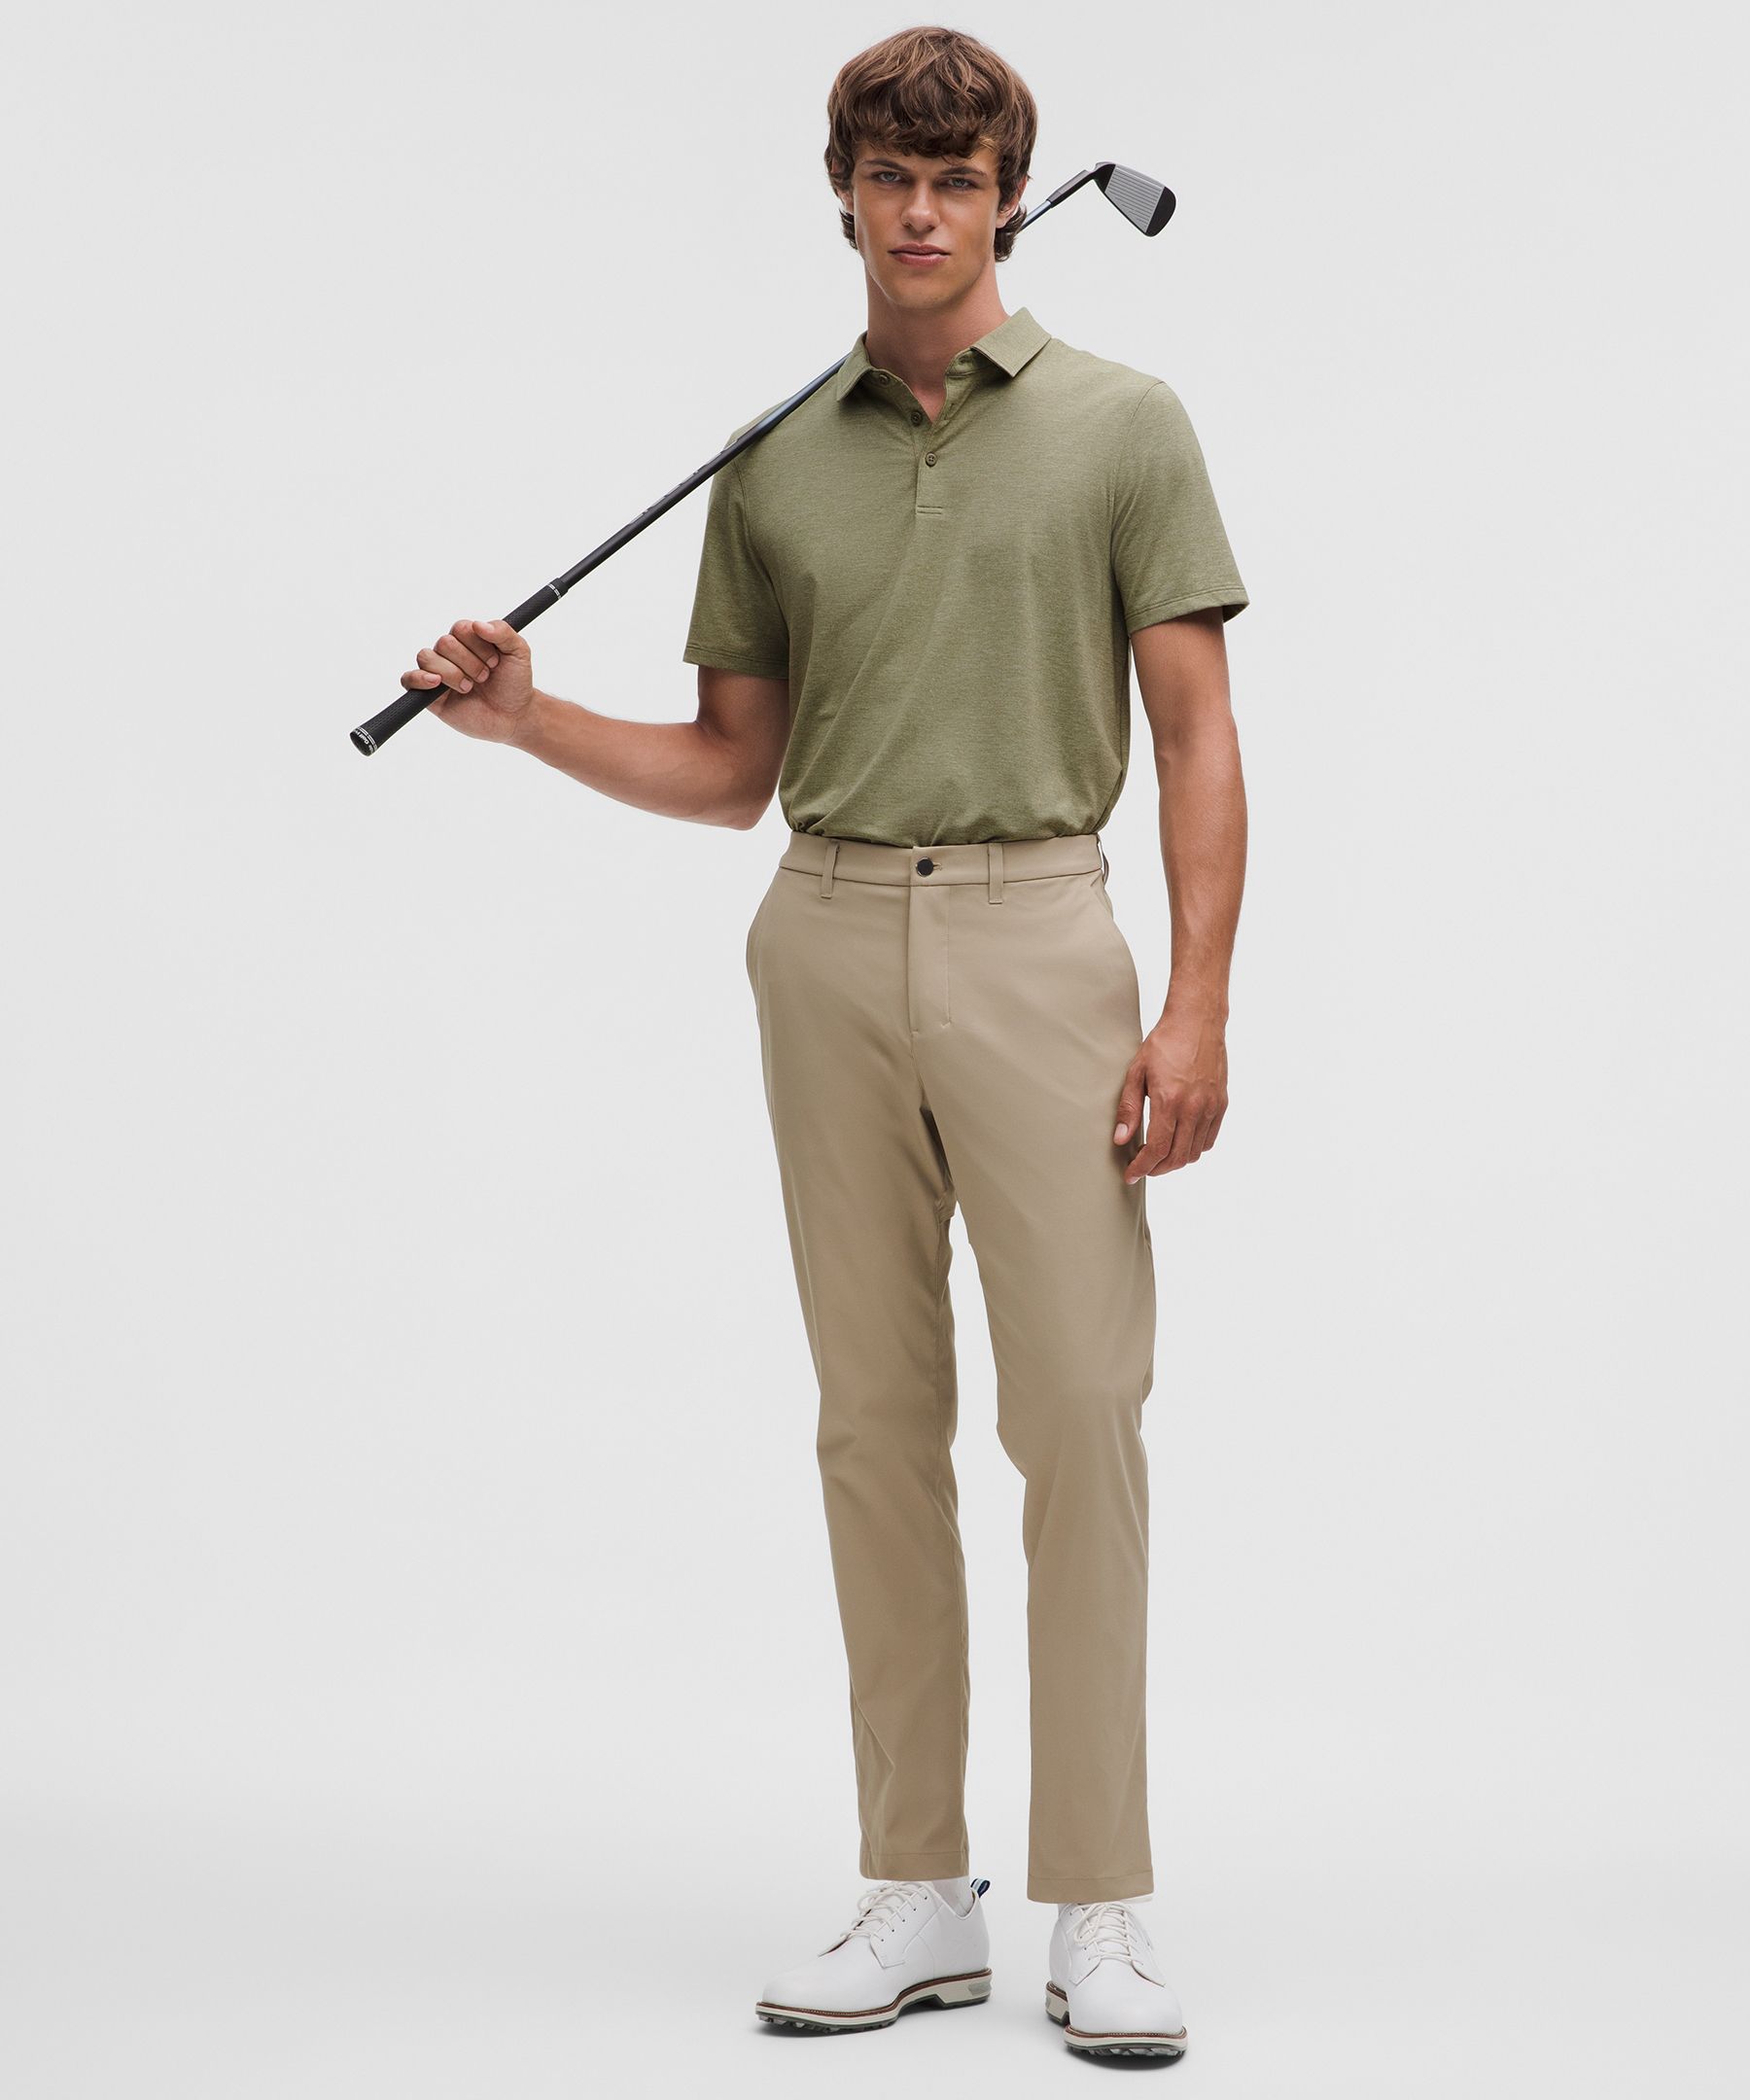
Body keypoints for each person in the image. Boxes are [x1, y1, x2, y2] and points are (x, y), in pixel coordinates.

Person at [398, 24, 1248, 2063]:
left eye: (958, 179)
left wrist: (1198, 1001)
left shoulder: (1125, 425)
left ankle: (1101, 1900)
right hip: (827, 938)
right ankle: (917, 1886)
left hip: (1045, 936)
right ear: (846, 196)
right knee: (873, 1422)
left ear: (1011, 198)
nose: (923, 211)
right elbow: (728, 774)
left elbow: (1200, 734)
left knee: (1078, 1415)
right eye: (891, 178)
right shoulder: (774, 458)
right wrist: (526, 722)